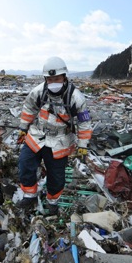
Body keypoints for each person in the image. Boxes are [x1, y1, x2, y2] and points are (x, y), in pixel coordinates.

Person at [16, 56, 93, 215]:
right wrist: (23, 128)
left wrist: (83, 146)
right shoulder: (38, 91)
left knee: (56, 177)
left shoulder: (75, 97)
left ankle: (52, 202)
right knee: (25, 164)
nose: (53, 82)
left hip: (60, 141)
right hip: (37, 136)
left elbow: (84, 123)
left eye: (56, 78)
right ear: (45, 79)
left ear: (64, 77)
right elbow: (29, 108)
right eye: (50, 79)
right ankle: (30, 195)